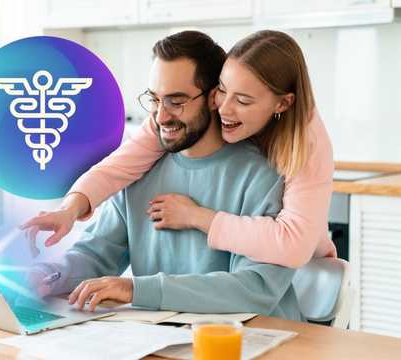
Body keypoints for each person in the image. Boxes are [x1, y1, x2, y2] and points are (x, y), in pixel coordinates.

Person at [26, 31, 302, 321]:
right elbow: (97, 254)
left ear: (213, 98)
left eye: (177, 101)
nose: (161, 116)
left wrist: (136, 290)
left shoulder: (262, 176)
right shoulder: (140, 167)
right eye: (155, 99)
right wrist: (47, 276)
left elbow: (254, 289)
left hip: (263, 338)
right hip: (169, 336)